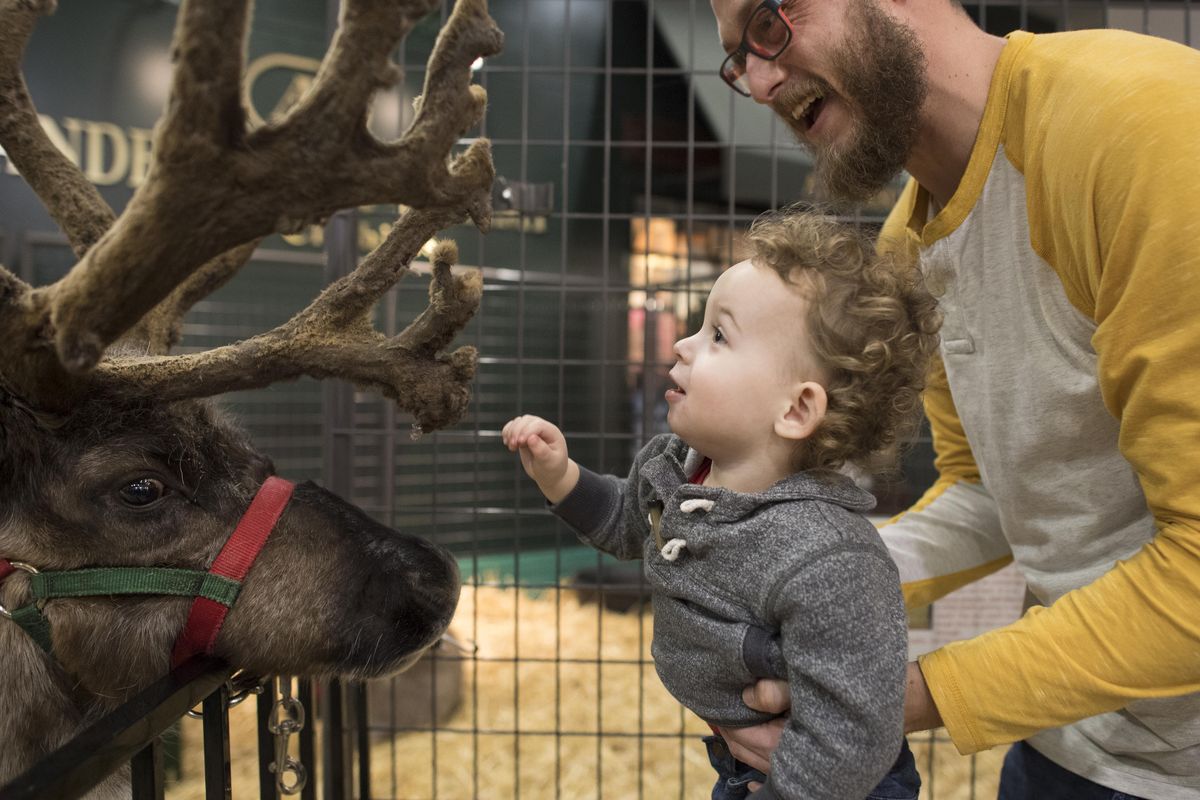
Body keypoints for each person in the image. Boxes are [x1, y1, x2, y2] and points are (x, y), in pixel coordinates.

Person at [708, 0, 1200, 796]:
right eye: (737, 62)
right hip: (1066, 737)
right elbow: (984, 492)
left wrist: (891, 699)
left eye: (769, 24)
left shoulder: (1143, 127)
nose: (760, 82)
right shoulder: (910, 243)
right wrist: (807, 575)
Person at [504, 210, 941, 799]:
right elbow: (625, 524)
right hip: (741, 764)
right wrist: (562, 476)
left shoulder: (830, 558)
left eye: (718, 335)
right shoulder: (678, 466)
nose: (683, 344)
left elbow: (853, 734)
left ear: (794, 410)